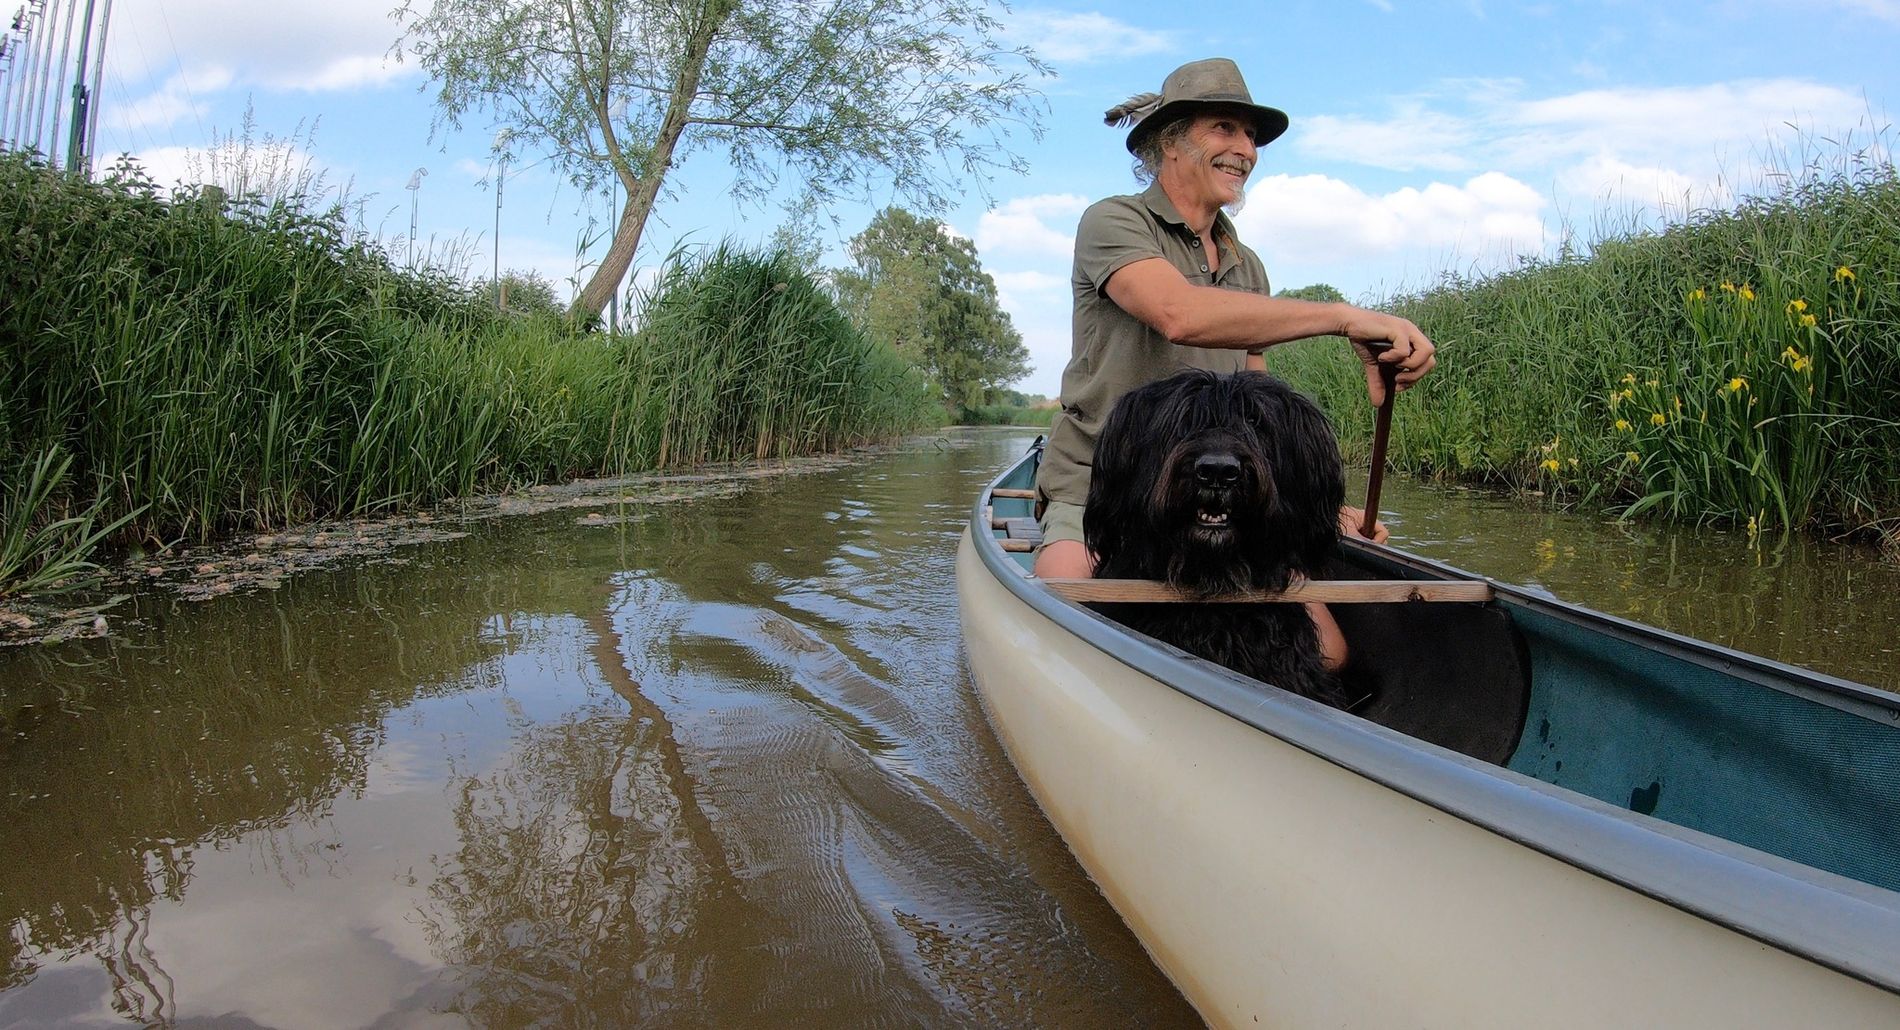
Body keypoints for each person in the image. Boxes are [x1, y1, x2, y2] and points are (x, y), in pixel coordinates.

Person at [1033, 57, 1439, 669]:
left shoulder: (1246, 265)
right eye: (1225, 129)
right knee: (1072, 621)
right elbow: (1179, 313)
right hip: (1103, 480)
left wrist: (1328, 513)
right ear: (1170, 143)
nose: (1245, 149)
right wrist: (1341, 317)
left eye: (1251, 136)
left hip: (1220, 482)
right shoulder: (1114, 221)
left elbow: (1255, 399)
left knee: (1329, 653)